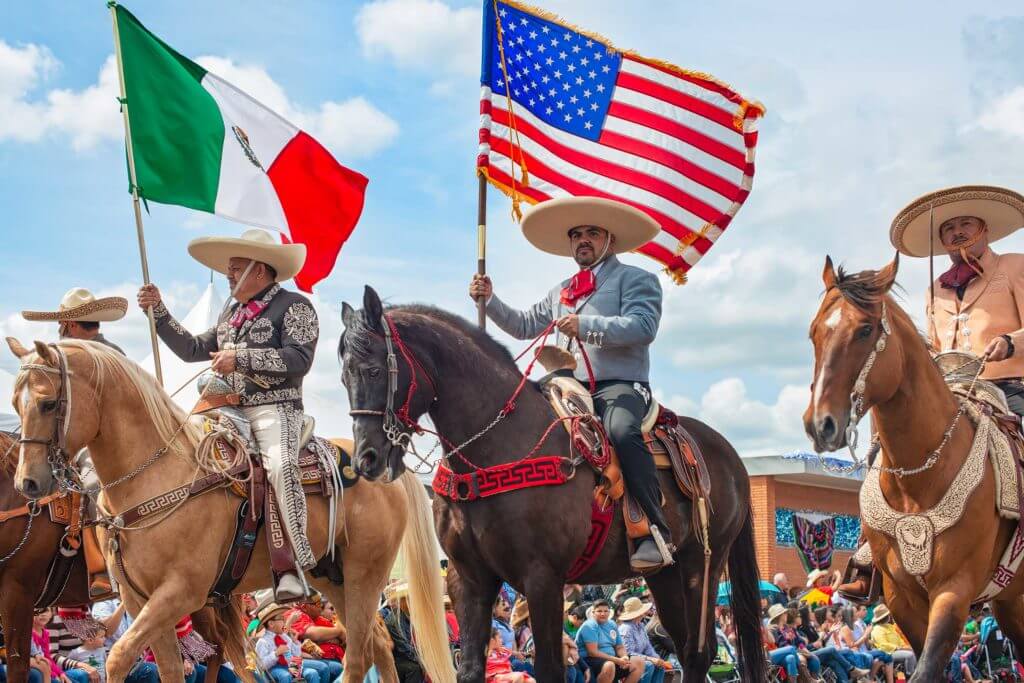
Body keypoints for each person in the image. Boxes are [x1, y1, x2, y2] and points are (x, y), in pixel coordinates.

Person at [844, 185, 1024, 600]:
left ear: (984, 230)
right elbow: (937, 347)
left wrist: (1011, 342)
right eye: (949, 229)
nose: (958, 233)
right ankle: (870, 555)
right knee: (884, 454)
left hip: (1007, 386)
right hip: (953, 390)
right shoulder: (935, 290)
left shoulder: (1014, 268)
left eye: (966, 225)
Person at [470, 197, 668, 569]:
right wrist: (490, 300)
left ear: (610, 238)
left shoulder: (637, 279)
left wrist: (587, 326)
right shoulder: (561, 289)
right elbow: (524, 325)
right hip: (566, 386)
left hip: (619, 386)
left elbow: (644, 327)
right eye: (576, 234)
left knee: (623, 432)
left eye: (592, 233)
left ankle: (651, 527)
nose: (583, 240)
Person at [137, 228, 318, 601]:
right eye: (229, 268)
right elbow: (192, 349)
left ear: (260, 270)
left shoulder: (296, 306)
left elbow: (300, 360)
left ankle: (294, 565)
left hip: (275, 407)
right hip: (226, 408)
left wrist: (242, 358)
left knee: (281, 466)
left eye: (236, 268)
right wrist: (159, 313)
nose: (228, 274)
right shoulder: (230, 312)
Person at [21, 288, 129, 598]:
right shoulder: (56, 357)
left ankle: (100, 570)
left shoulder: (110, 355)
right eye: (90, 322)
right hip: (63, 443)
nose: (93, 328)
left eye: (93, 323)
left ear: (67, 324)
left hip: (105, 443)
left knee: (93, 485)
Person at [575, 600, 645, 683]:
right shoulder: (589, 625)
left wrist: (624, 657)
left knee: (639, 661)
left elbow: (619, 646)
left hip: (611, 658)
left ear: (609, 612)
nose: (603, 614)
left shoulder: (612, 624)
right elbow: (592, 652)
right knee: (609, 665)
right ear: (593, 612)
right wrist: (617, 660)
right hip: (589, 660)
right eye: (599, 611)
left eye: (605, 611)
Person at [253, 603, 323, 683]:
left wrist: (295, 641)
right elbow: (261, 665)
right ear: (271, 624)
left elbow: (296, 654)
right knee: (285, 676)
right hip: (273, 668)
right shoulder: (263, 641)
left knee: (312, 673)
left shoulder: (284, 636)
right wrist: (276, 653)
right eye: (281, 618)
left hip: (289, 664)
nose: (284, 621)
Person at [615, 598, 669, 683]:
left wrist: (657, 658)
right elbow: (629, 653)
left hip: (642, 657)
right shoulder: (626, 629)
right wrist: (651, 659)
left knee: (660, 665)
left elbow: (648, 647)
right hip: (628, 660)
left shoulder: (640, 625)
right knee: (649, 665)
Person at [868, 606, 917, 676]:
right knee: (910, 655)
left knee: (915, 652)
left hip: (898, 650)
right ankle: (910, 675)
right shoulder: (877, 629)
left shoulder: (889, 626)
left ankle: (909, 675)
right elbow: (883, 645)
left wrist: (906, 647)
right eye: (888, 615)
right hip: (888, 652)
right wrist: (899, 648)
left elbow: (899, 640)